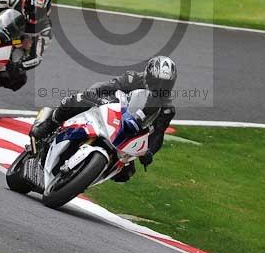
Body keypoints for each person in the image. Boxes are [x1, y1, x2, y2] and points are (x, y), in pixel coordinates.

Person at [30, 55, 178, 182]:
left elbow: (158, 134)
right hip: (109, 111)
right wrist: (95, 95)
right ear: (147, 75)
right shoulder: (132, 79)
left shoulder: (167, 109)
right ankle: (49, 125)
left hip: (129, 131)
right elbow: (105, 86)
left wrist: (149, 152)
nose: (159, 87)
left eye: (165, 84)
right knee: (76, 101)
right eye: (156, 81)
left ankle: (81, 178)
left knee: (125, 174)